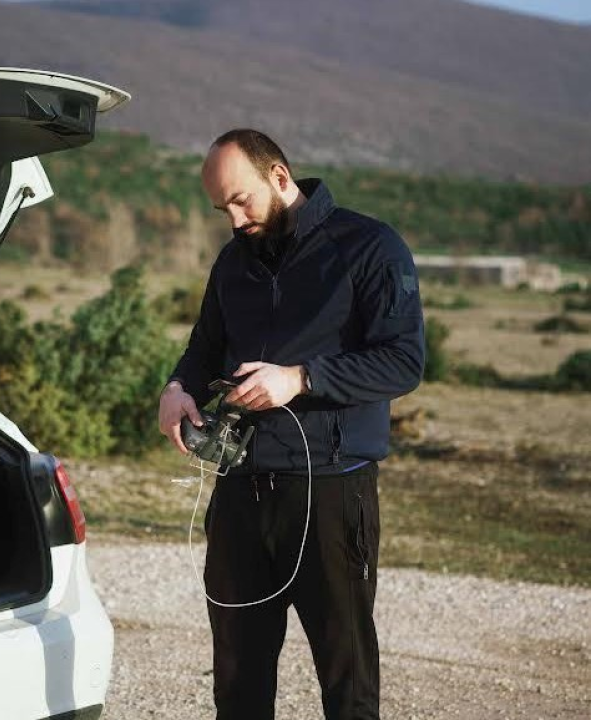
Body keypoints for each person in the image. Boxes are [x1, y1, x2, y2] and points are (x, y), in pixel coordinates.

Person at [158, 129, 425, 720]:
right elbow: (204, 349)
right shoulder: (233, 260)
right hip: (241, 491)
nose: (232, 218)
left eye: (241, 200)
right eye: (220, 207)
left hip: (331, 491)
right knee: (237, 676)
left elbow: (404, 361)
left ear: (280, 177)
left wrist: (300, 378)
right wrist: (177, 389)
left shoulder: (370, 248)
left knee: (345, 673)